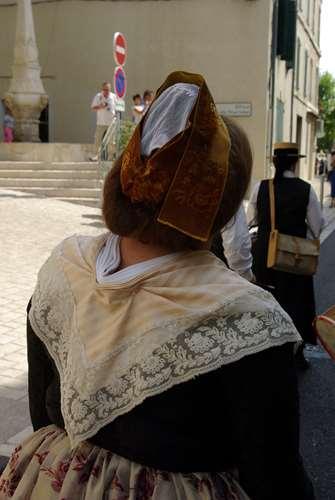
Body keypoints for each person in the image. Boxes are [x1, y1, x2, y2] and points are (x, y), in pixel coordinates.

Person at [0, 73, 314, 500]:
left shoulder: (64, 269)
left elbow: (43, 411)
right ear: (218, 207)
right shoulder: (247, 321)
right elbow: (274, 477)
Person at [248, 142, 324, 369]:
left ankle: (267, 352)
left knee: (268, 302)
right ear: (295, 162)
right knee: (297, 304)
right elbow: (317, 226)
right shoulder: (306, 189)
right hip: (294, 257)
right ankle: (297, 353)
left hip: (265, 257)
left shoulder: (260, 188)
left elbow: (249, 220)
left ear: (274, 162)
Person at [211, 204, 254, 281]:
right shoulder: (228, 194)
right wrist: (245, 275)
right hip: (217, 275)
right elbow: (236, 245)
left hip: (185, 272)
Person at [90, 82, 117, 161]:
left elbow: (118, 107)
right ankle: (96, 155)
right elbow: (93, 107)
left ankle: (110, 157)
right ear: (102, 89)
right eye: (105, 89)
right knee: (97, 139)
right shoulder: (98, 96)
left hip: (111, 123)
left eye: (108, 90)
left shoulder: (113, 96)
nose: (106, 91)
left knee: (111, 141)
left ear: (110, 89)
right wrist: (100, 106)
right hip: (101, 123)